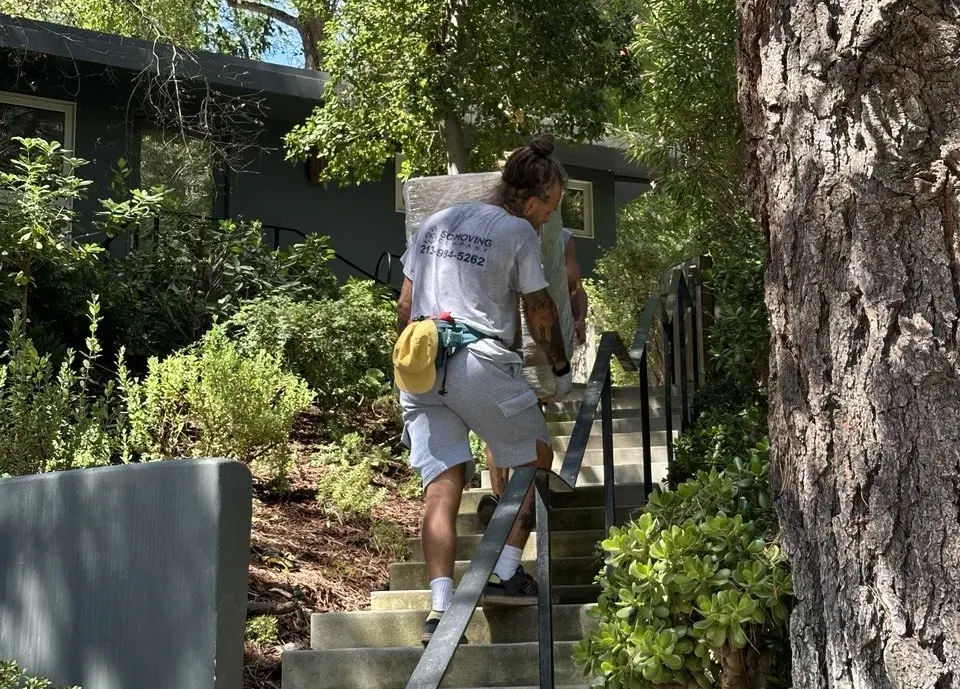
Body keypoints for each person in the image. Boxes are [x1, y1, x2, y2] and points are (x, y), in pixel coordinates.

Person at [393, 134, 572, 645]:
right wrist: (558, 370)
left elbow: (406, 306)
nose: (545, 220)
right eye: (549, 210)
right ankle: (508, 572)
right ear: (533, 201)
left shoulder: (437, 222)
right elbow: (538, 309)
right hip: (479, 360)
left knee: (441, 485)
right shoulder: (518, 232)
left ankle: (441, 607)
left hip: (422, 362)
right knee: (535, 458)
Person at [478, 226, 589, 525]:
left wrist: (578, 315)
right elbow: (573, 281)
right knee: (524, 419)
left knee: (502, 422)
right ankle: (523, 504)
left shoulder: (505, 234)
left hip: (511, 338)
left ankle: (507, 501)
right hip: (537, 337)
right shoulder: (560, 237)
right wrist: (576, 316)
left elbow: (574, 284)